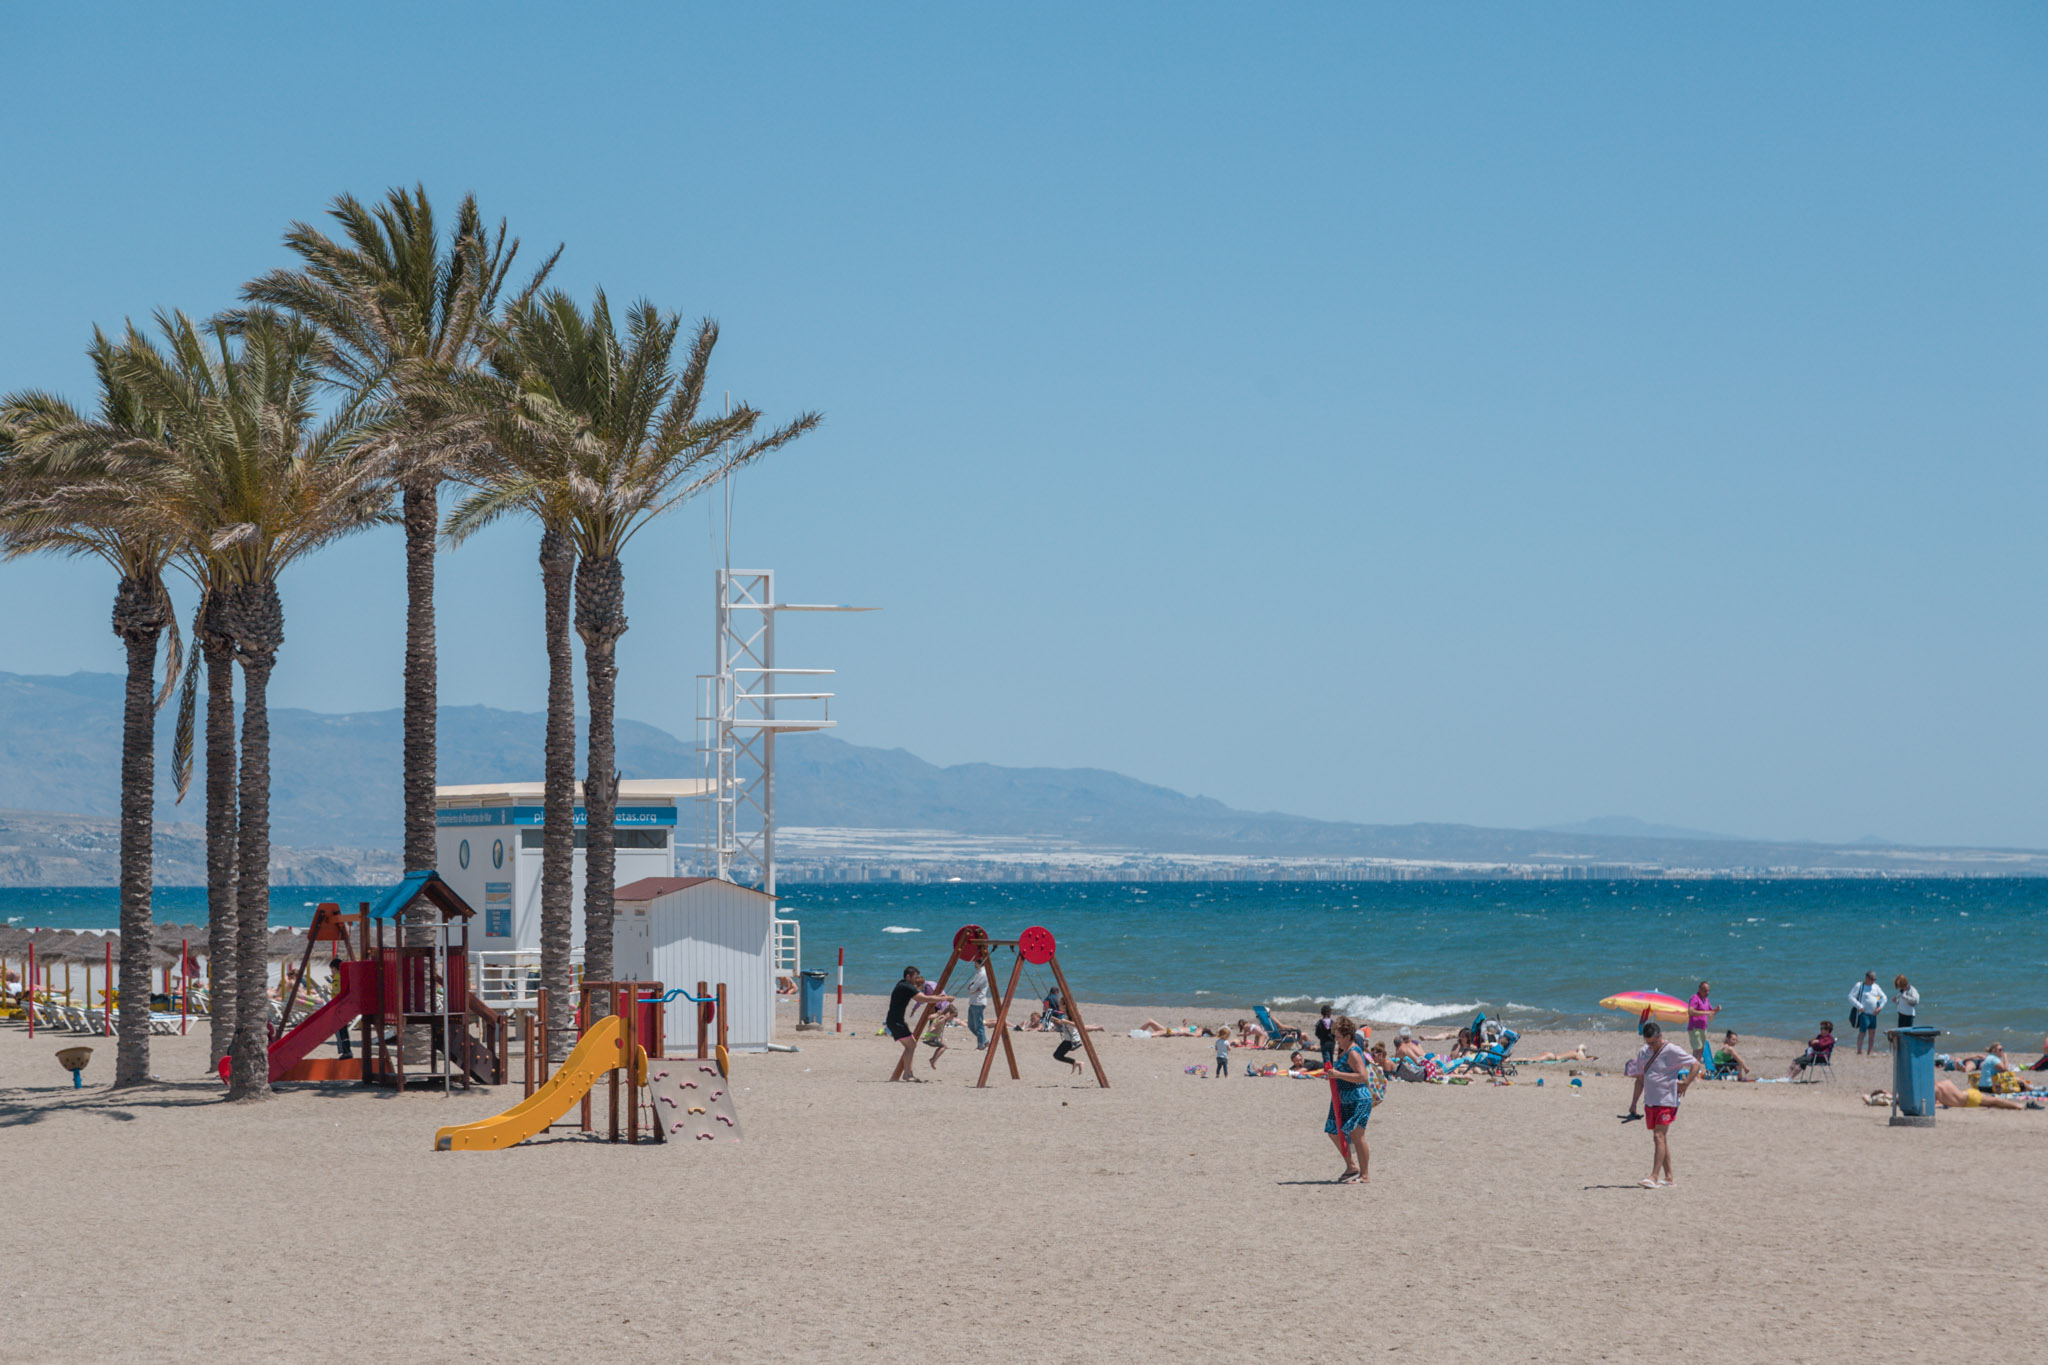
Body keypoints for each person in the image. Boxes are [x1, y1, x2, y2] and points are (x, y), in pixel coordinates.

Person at [1624, 1021, 1698, 1188]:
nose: (1651, 1046)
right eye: (1648, 1042)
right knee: (1660, 1138)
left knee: (1659, 1136)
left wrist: (1685, 1083)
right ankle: (1670, 1177)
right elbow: (1640, 1079)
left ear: (1660, 1037)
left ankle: (1654, 1176)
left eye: (1653, 1042)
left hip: (1667, 1100)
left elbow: (1695, 1064)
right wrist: (1633, 1103)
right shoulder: (1643, 1052)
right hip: (1650, 1101)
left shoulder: (1671, 1050)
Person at [1322, 1015, 1375, 1184]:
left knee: (1357, 1135)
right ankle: (1351, 1166)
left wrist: (1337, 1074)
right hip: (1341, 1098)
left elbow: (1362, 1076)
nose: (1336, 1040)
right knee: (1333, 1131)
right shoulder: (1344, 1050)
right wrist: (1333, 1076)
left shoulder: (1353, 1052)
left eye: (1338, 1037)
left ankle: (1365, 1175)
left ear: (1347, 1036)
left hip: (1358, 1098)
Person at [885, 966, 932, 1081]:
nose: (916, 979)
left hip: (895, 1020)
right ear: (908, 976)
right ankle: (907, 1074)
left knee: (910, 1045)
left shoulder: (902, 984)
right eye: (915, 977)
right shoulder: (905, 986)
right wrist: (942, 999)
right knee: (911, 1045)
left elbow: (919, 995)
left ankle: (907, 1073)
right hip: (896, 1021)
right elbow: (922, 999)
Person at [1848, 972, 1888, 1055]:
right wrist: (1860, 1006)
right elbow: (1850, 997)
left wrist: (1879, 1007)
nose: (1873, 981)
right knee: (1862, 1033)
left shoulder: (1876, 987)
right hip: (1864, 1013)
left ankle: (1870, 1051)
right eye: (1872, 979)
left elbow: (1884, 997)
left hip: (1873, 1014)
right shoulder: (1859, 985)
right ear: (1867, 978)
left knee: (1872, 1033)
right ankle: (1859, 1051)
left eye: (1874, 979)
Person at [1935, 1078, 2028, 1111]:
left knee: (1995, 1101)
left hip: (1969, 1099)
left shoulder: (1936, 1090)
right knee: (1993, 1103)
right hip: (1968, 1095)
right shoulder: (1945, 1083)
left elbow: (1935, 1104)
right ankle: (2016, 1106)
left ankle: (2018, 1106)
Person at [327, 958, 353, 1061]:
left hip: (339, 1008)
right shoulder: (345, 976)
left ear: (334, 968)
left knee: (341, 1031)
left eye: (331, 969)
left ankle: (346, 1051)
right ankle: (347, 1051)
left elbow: (337, 993)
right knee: (343, 1031)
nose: (331, 972)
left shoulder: (337, 978)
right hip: (345, 1006)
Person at [922, 1001, 958, 1071]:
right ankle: (933, 1060)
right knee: (944, 1046)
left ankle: (933, 1059)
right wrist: (945, 1018)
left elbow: (930, 1017)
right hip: (931, 1037)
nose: (952, 1018)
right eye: (952, 1016)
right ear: (948, 1014)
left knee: (943, 1045)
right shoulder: (942, 1017)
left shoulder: (941, 1016)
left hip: (931, 1036)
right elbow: (937, 1023)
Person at [963, 962, 990, 1050]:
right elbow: (971, 985)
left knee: (979, 1025)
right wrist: (972, 988)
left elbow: (973, 988)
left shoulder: (983, 973)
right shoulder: (978, 973)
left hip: (978, 1002)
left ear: (977, 963)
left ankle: (980, 1045)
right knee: (970, 1025)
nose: (974, 964)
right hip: (973, 1001)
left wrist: (972, 988)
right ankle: (985, 1040)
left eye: (975, 963)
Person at [1686, 982, 1715, 1058]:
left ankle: (1696, 1067)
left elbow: (1711, 1012)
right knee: (1697, 1049)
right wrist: (1706, 1012)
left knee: (1701, 1049)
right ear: (1699, 989)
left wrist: (1716, 1010)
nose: (1707, 993)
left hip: (1703, 1028)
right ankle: (1694, 1067)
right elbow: (1690, 1011)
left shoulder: (1705, 999)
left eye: (1708, 991)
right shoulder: (1695, 998)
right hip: (1695, 1028)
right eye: (1705, 991)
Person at [1314, 1005, 1335, 1070]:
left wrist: (1320, 1037)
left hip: (1324, 1042)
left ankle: (1327, 1069)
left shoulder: (1319, 1022)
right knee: (1331, 1055)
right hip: (1331, 1042)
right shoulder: (1332, 1022)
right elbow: (1335, 1032)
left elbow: (1317, 1033)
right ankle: (1331, 1068)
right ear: (1330, 1013)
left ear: (1321, 1013)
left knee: (1326, 1056)